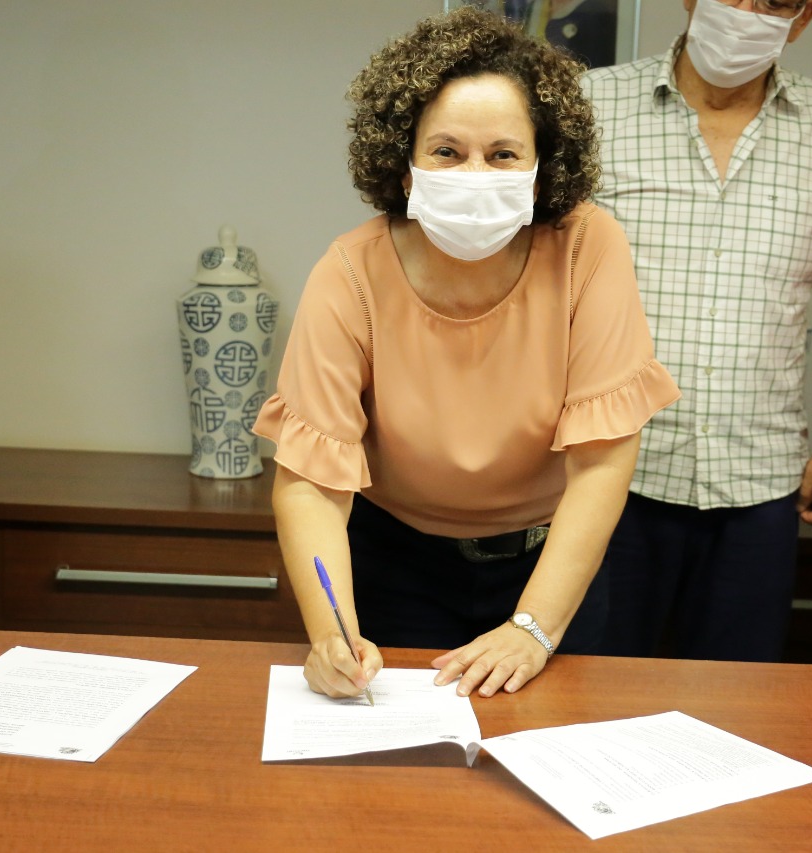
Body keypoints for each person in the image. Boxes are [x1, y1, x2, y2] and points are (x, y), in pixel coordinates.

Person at [254, 7, 679, 700]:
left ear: (540, 171)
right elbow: (310, 483)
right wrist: (332, 634)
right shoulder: (350, 271)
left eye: (503, 154)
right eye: (446, 152)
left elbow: (603, 460)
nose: (475, 174)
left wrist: (533, 628)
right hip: (397, 565)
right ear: (404, 167)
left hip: (550, 566)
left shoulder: (587, 246)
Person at [582, 0, 812, 662]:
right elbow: (531, 273)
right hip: (610, 468)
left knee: (736, 703)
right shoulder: (595, 103)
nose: (746, 10)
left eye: (772, 1)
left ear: (804, 16)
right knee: (592, 691)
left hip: (760, 480)